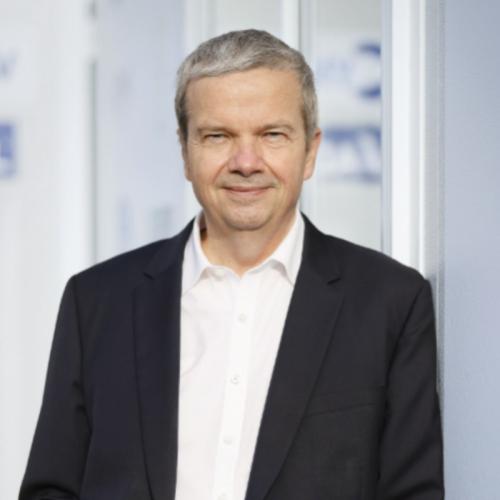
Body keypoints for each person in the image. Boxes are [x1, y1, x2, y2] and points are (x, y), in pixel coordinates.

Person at [20, 29, 443, 500]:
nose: (246, 162)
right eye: (217, 136)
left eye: (272, 135)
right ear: (185, 151)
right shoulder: (98, 301)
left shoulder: (390, 302)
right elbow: (51, 488)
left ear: (311, 151)